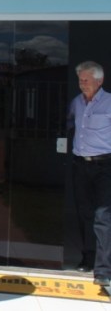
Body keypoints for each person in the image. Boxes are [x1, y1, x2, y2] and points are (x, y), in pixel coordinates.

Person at [67, 60, 111, 285]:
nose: (82, 84)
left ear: (99, 80)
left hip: (105, 166)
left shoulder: (110, 103)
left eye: (86, 80)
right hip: (81, 165)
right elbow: (70, 126)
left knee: (103, 217)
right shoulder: (76, 103)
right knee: (84, 213)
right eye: (80, 80)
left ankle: (103, 270)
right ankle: (88, 258)